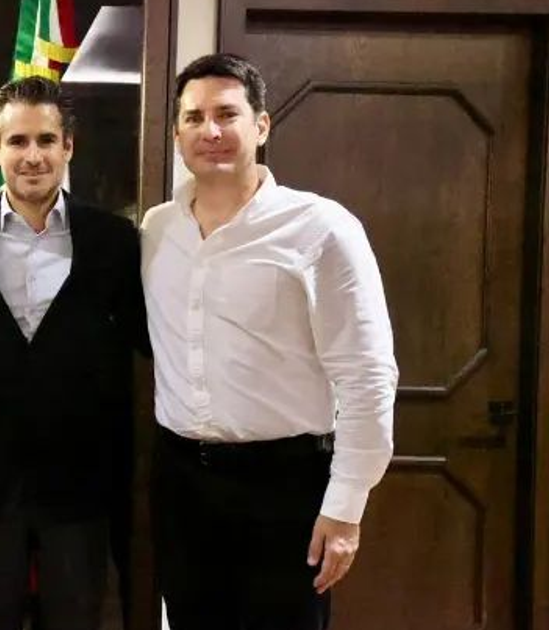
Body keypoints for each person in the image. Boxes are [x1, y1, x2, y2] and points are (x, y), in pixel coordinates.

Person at [140, 52, 398, 630]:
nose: (210, 131)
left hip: (285, 484)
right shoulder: (157, 229)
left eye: (227, 114)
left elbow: (367, 375)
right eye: (194, 117)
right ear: (177, 134)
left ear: (261, 125)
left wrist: (346, 507)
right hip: (181, 481)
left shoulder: (322, 229)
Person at [0, 75, 148, 630]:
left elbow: (147, 342)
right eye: (18, 141)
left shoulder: (114, 241)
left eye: (46, 140)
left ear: (68, 146)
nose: (33, 156)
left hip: (81, 481)